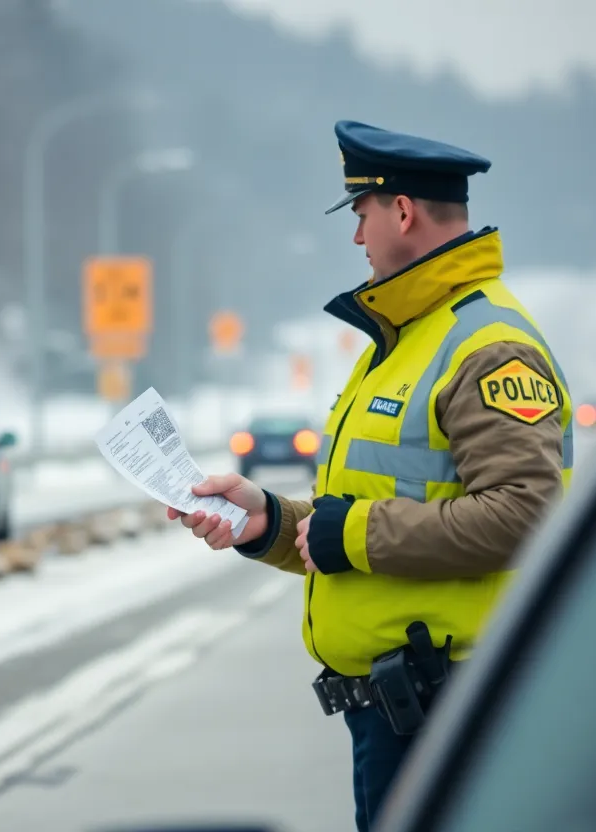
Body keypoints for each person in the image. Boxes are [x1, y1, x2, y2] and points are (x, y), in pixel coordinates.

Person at [167, 120, 574, 832]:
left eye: (360, 215)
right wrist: (271, 521)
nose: (357, 239)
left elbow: (526, 517)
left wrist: (347, 532)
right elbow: (374, 517)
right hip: (400, 711)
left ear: (403, 211)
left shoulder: (486, 346)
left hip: (447, 708)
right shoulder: (409, 339)